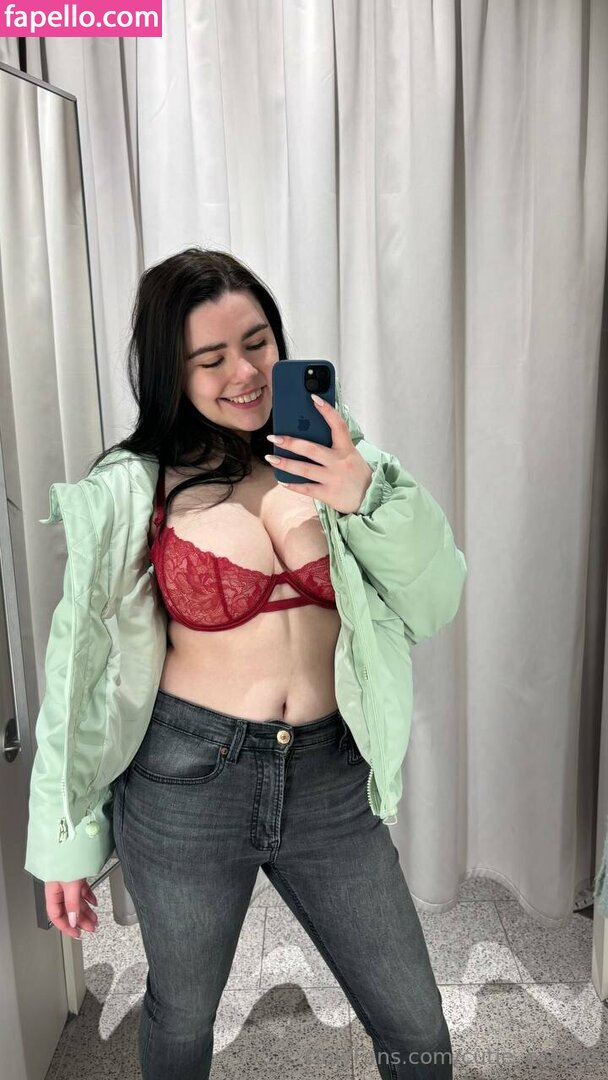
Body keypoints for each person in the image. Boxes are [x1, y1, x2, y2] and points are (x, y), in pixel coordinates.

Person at [32, 248, 466, 1078]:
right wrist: (64, 839)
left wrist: (363, 494)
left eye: (258, 342)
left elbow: (435, 598)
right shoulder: (136, 486)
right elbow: (78, 671)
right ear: (172, 371)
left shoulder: (336, 455)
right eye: (211, 357)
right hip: (186, 779)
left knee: (413, 1017)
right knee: (182, 1009)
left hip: (331, 775)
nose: (246, 372)